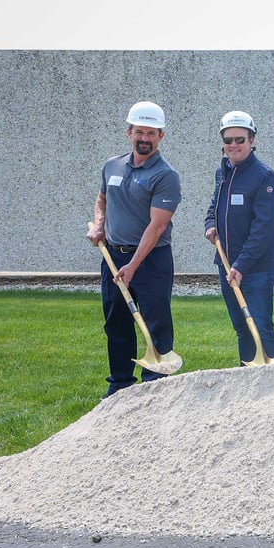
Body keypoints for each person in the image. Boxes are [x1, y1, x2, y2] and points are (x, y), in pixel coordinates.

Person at [85, 101, 182, 396]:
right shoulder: (112, 165)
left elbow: (157, 226)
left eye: (151, 133)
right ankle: (120, 384)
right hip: (113, 256)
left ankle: (155, 384)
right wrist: (99, 225)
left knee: (155, 321)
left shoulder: (166, 176)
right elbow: (102, 200)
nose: (144, 138)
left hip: (151, 260)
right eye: (139, 131)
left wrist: (134, 265)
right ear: (129, 131)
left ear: (160, 136)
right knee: (116, 321)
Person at [204, 110, 274, 365]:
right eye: (229, 140)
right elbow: (214, 206)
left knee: (260, 325)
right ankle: (247, 377)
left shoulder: (265, 177)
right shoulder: (223, 173)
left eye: (240, 139)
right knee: (241, 327)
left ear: (252, 140)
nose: (234, 145)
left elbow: (263, 229)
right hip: (227, 265)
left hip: (256, 269)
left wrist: (241, 265)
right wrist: (210, 224)